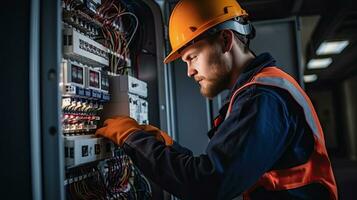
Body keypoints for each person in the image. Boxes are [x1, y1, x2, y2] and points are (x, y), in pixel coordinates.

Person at [96, 0, 338, 199]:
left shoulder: (261, 97)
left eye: (192, 57)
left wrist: (133, 139)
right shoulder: (260, 90)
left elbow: (208, 184)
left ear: (225, 41)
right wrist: (169, 148)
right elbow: (216, 169)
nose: (189, 71)